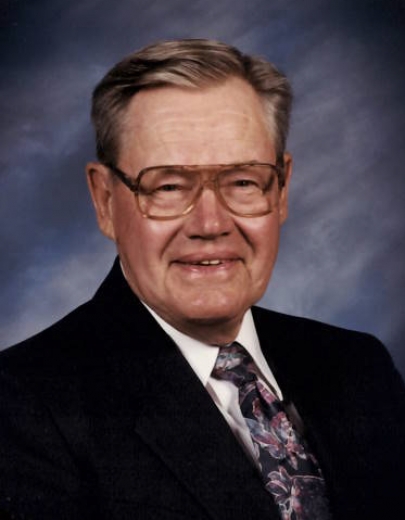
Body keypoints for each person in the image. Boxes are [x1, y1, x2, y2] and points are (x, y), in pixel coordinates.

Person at [0, 38, 404, 520]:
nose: (211, 224)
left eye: (242, 181)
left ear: (281, 190)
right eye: (168, 186)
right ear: (105, 200)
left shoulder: (359, 367)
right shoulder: (23, 407)